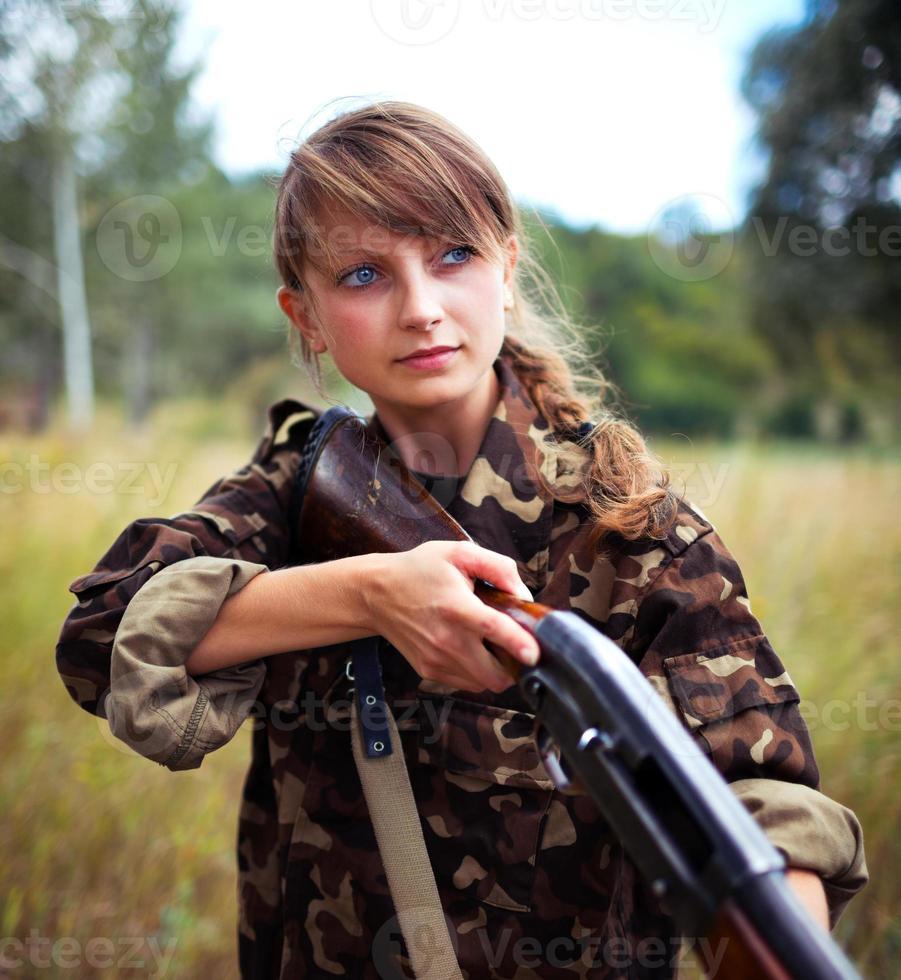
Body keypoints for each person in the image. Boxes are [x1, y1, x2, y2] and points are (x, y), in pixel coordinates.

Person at [56, 100, 867, 979]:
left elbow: (768, 799)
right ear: (307, 318)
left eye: (453, 256)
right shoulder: (296, 492)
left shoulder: (629, 527)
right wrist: (366, 594)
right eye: (364, 275)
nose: (421, 308)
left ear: (507, 270)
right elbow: (104, 632)